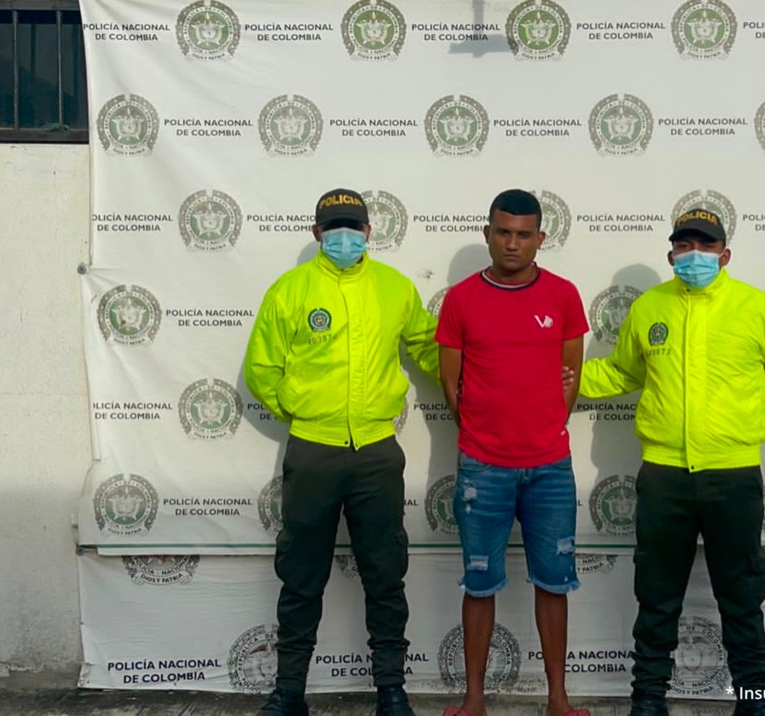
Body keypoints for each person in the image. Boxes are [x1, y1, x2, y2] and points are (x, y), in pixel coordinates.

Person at [578, 208, 765, 716]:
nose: (694, 256)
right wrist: (552, 375)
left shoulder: (758, 311)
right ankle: (648, 699)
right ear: (670, 255)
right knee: (657, 592)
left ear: (724, 255)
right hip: (664, 475)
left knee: (742, 593)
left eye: (704, 247)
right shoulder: (650, 308)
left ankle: (754, 701)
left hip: (733, 475)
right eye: (684, 247)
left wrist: (747, 419)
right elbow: (621, 373)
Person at [244, 188, 438, 716]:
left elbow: (426, 346)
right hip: (313, 452)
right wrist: (303, 409)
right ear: (316, 234)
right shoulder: (290, 291)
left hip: (376, 450)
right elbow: (261, 368)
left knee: (385, 570)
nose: (344, 237)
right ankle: (288, 692)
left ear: (370, 233)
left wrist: (482, 368)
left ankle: (391, 690)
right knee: (301, 573)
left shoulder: (394, 289)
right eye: (334, 228)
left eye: (353, 227)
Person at [435, 189, 591, 716]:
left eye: (524, 234)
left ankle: (558, 700)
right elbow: (451, 385)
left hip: (551, 468)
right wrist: (487, 432)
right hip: (483, 468)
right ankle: (473, 699)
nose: (512, 243)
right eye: (503, 232)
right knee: (480, 584)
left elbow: (570, 377)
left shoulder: (564, 296)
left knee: (554, 582)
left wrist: (541, 425)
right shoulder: (460, 299)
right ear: (487, 234)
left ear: (540, 239)